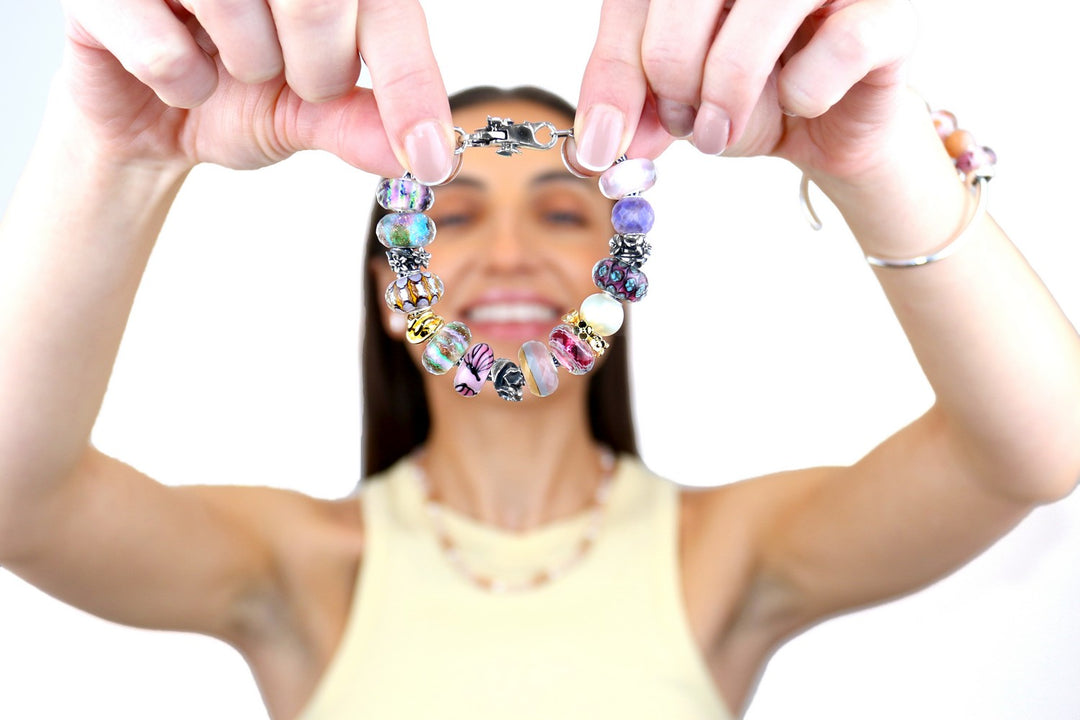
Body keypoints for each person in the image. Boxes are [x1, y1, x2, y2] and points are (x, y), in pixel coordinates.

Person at [1, 1, 1078, 719]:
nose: (510, 251)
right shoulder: (299, 567)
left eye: (564, 212)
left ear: (619, 264)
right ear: (391, 281)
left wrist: (878, 159)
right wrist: (113, 153)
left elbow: (1035, 452)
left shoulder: (727, 554)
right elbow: (16, 499)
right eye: (453, 214)